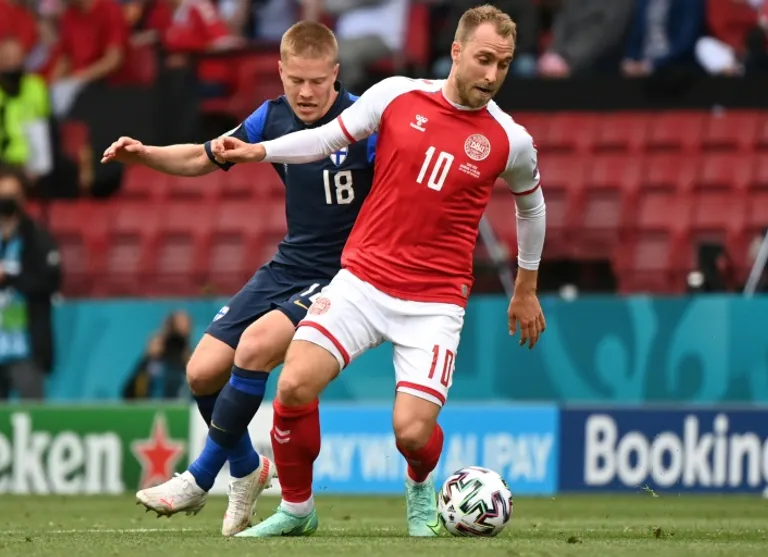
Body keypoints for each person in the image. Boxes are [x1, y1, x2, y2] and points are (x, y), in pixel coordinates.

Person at [213, 4, 547, 538]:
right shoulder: (396, 95)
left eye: (503, 65)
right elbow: (326, 138)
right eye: (484, 59)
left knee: (411, 433)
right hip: (362, 281)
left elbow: (532, 206)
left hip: (434, 303)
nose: (492, 75)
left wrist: (525, 288)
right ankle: (297, 510)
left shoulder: (511, 140)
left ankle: (420, 483)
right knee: (294, 384)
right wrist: (261, 151)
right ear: (456, 51)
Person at [101, 21, 376, 536]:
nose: (306, 92)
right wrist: (146, 155)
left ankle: (200, 477)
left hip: (345, 274)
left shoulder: (365, 121)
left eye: (318, 81)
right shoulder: (270, 117)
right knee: (202, 372)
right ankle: (248, 469)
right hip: (290, 265)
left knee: (253, 348)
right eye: (296, 80)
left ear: (336, 74)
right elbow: (204, 155)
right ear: (280, 71)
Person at [0, 166, 61, 400]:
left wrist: (10, 277)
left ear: (23, 198)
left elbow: (50, 281)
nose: (6, 202)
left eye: (12, 196)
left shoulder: (37, 236)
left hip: (26, 348)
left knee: (32, 414)